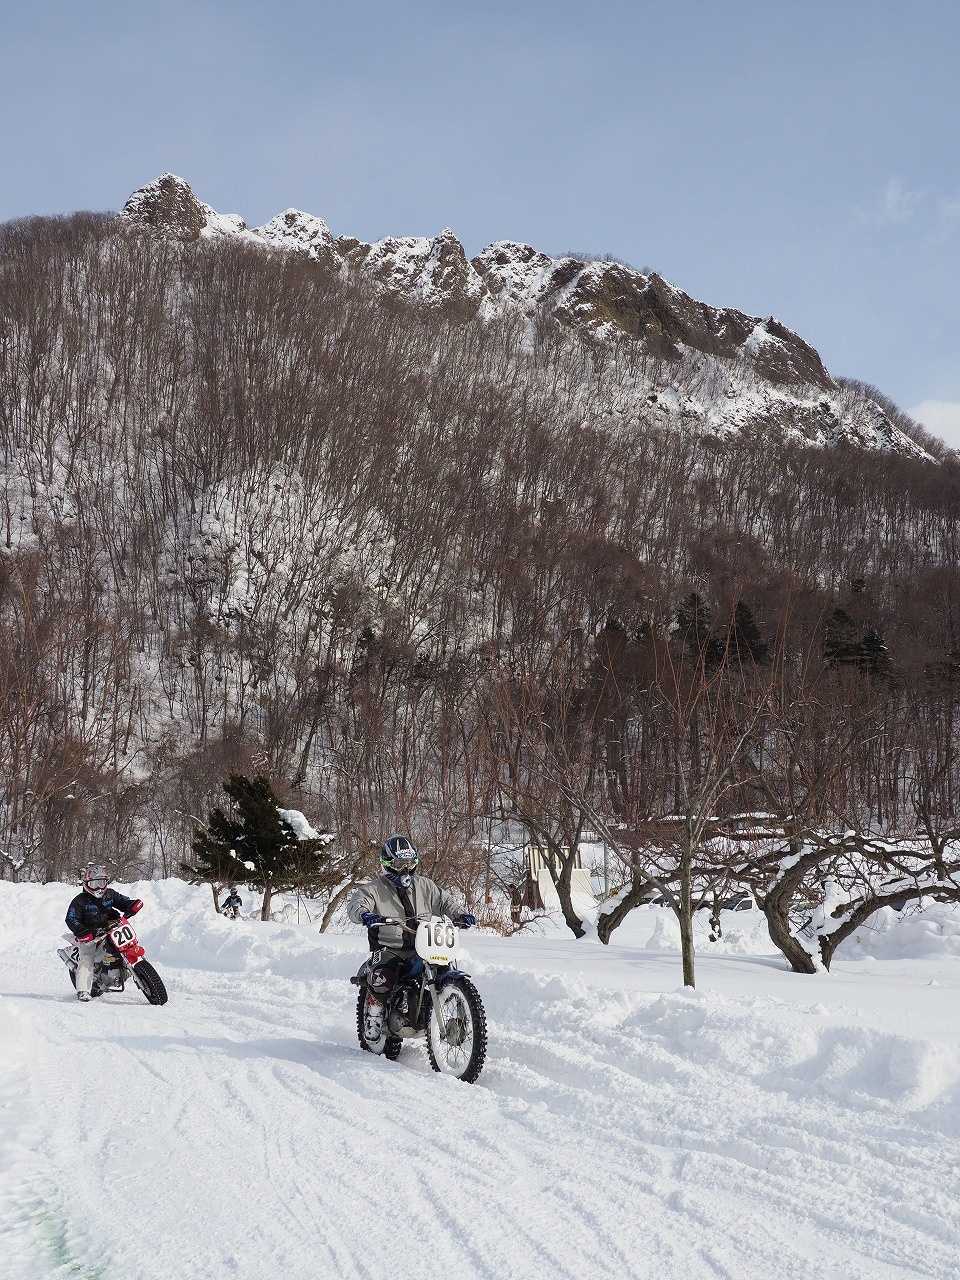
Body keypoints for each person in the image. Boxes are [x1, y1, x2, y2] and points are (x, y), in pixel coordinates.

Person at [347, 835, 476, 1036]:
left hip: (423, 945)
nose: (405, 869)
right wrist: (365, 915)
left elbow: (445, 901)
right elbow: (356, 904)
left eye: (409, 863)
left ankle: (448, 1012)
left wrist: (460, 914)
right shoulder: (374, 888)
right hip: (389, 947)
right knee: (383, 976)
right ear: (387, 864)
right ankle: (374, 1016)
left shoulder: (425, 885)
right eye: (399, 864)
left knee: (444, 968)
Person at [65, 864, 143, 1002]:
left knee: (127, 945)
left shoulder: (110, 894)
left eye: (101, 883)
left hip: (111, 928)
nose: (99, 888)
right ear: (86, 884)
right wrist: (83, 931)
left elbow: (123, 902)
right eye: (94, 884)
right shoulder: (79, 901)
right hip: (90, 934)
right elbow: (71, 919)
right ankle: (83, 990)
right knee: (87, 958)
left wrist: (132, 905)